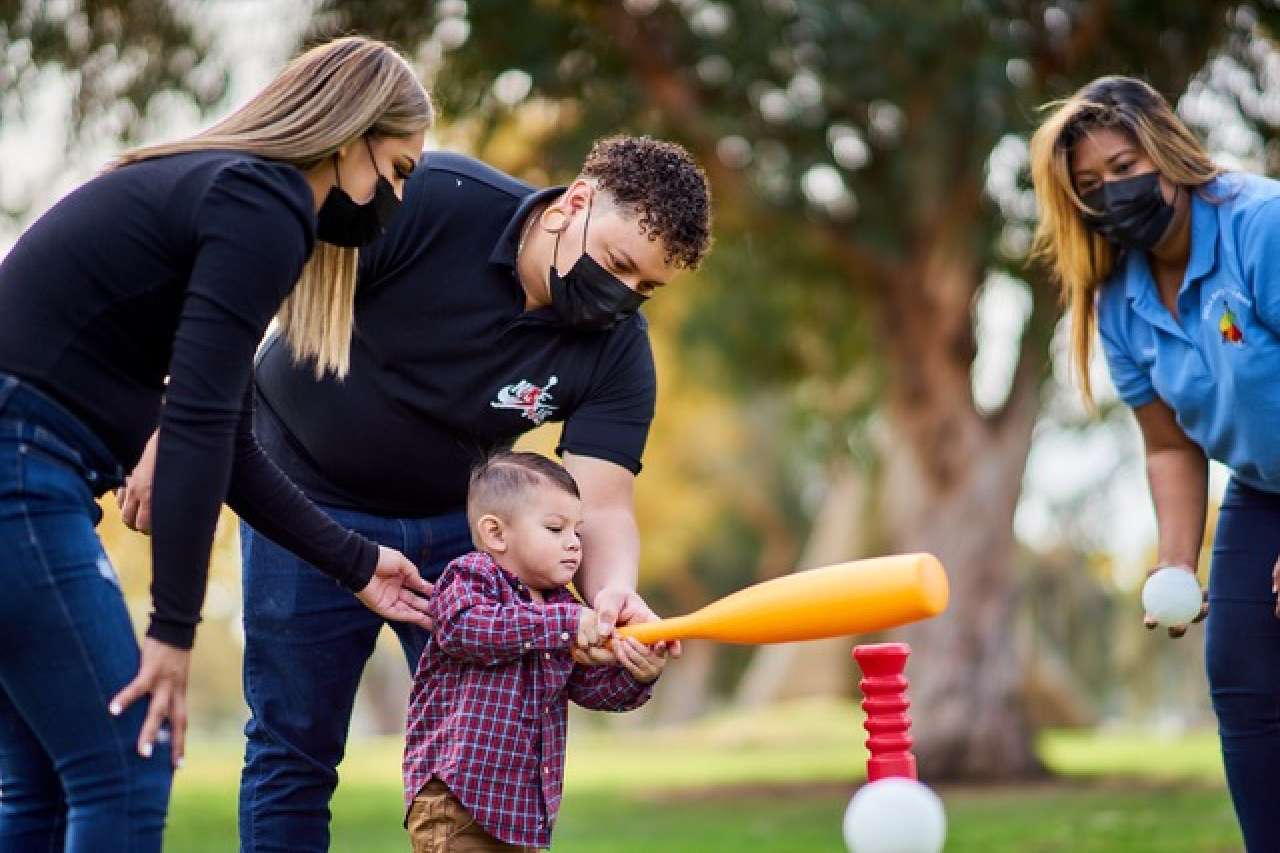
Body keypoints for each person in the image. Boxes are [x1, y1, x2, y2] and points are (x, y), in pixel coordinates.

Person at [117, 133, 713, 849]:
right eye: (617, 264)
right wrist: (177, 421)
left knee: (490, 739)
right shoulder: (430, 202)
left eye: (645, 286)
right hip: (301, 493)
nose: (622, 295)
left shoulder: (618, 345)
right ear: (575, 203)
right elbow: (244, 292)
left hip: (463, 529)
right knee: (293, 745)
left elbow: (604, 502)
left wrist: (615, 591)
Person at [0, 36, 434, 849]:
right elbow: (195, 426)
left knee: (42, 794)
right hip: (22, 469)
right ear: (349, 135)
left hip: (27, 470)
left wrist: (356, 561)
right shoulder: (264, 202)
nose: (394, 202)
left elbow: (226, 440)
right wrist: (172, 630)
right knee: (129, 763)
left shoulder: (219, 190)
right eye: (398, 169)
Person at [1030, 74, 1280, 850]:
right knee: (1239, 673)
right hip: (1263, 484)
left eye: (1126, 166)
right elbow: (1170, 444)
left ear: (1168, 151)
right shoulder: (1118, 298)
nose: (1113, 191)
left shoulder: (1261, 227)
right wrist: (1178, 564)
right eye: (1091, 184)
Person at [403, 451, 664, 852]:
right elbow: (463, 629)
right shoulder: (470, 577)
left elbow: (589, 688)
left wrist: (636, 672)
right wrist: (566, 626)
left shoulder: (565, 606)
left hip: (522, 812)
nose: (573, 544)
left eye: (577, 531)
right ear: (496, 534)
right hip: (457, 802)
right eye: (555, 528)